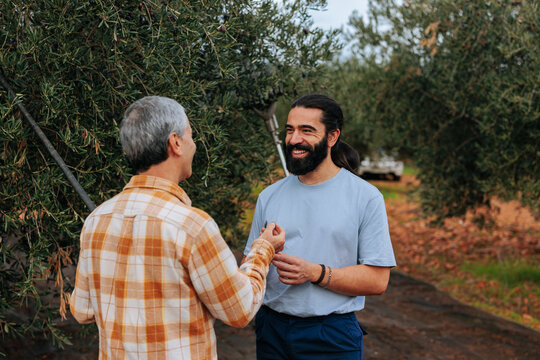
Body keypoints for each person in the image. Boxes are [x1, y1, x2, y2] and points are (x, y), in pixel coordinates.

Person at [70, 96, 285, 359]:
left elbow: (82, 311)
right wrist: (263, 249)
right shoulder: (192, 226)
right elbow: (239, 310)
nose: (194, 145)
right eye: (190, 136)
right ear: (175, 143)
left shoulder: (96, 220)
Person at [243, 94, 396, 359]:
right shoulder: (269, 196)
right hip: (272, 331)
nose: (294, 139)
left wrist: (315, 273)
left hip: (332, 336)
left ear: (332, 136)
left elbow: (378, 280)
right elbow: (248, 271)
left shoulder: (366, 197)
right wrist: (265, 249)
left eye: (307, 130)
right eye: (290, 129)